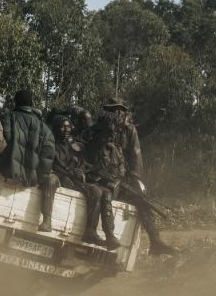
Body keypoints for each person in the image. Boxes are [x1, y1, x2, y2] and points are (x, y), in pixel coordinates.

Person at [86, 97, 175, 255]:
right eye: (113, 110)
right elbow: (89, 153)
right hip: (100, 178)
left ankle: (155, 241)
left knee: (143, 201)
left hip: (123, 178)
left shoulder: (129, 130)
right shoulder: (97, 130)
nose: (116, 113)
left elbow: (135, 157)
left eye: (119, 110)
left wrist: (133, 180)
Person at [47, 115, 121, 249]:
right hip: (60, 181)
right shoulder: (50, 145)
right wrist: (61, 176)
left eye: (68, 126)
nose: (66, 129)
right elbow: (48, 164)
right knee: (96, 190)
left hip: (75, 182)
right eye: (62, 126)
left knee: (96, 191)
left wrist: (80, 174)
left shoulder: (73, 147)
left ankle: (90, 230)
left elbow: (80, 164)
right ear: (55, 128)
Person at [0, 90, 56, 232]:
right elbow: (47, 158)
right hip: (31, 179)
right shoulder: (46, 129)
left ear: (15, 102)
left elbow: (1, 144)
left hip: (6, 172)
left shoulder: (7, 118)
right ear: (32, 104)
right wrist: (39, 179)